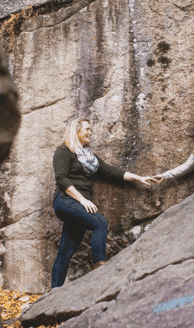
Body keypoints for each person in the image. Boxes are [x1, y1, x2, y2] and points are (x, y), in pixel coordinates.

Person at [51, 118, 154, 289]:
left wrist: (139, 178)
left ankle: (53, 293)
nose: (90, 132)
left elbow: (111, 172)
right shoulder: (63, 151)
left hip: (79, 206)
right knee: (100, 222)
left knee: (65, 251)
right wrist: (83, 200)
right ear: (76, 130)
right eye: (87, 129)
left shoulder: (91, 158)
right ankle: (100, 265)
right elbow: (61, 179)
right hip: (65, 201)